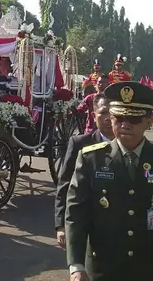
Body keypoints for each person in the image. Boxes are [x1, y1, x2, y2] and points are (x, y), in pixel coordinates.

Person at [65, 81, 153, 281]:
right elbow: (76, 213)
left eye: (134, 119)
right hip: (105, 269)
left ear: (148, 121)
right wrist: (76, 265)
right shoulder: (91, 159)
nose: (125, 125)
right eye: (119, 118)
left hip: (152, 271)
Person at [55, 92, 113, 248]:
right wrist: (60, 225)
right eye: (103, 113)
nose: (108, 118)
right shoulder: (80, 144)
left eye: (113, 113)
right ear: (94, 116)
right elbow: (65, 184)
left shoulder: (128, 146)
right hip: (87, 225)